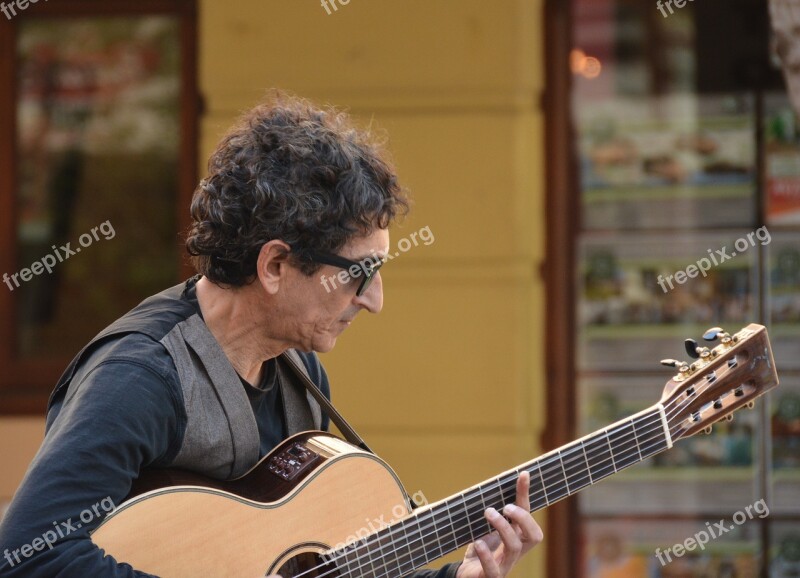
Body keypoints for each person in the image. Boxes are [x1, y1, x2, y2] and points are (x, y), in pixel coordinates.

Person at [0, 93, 542, 577]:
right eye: (357, 273)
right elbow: (30, 554)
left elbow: (320, 567)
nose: (375, 300)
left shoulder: (300, 372)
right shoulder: (141, 376)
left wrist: (456, 576)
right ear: (276, 265)